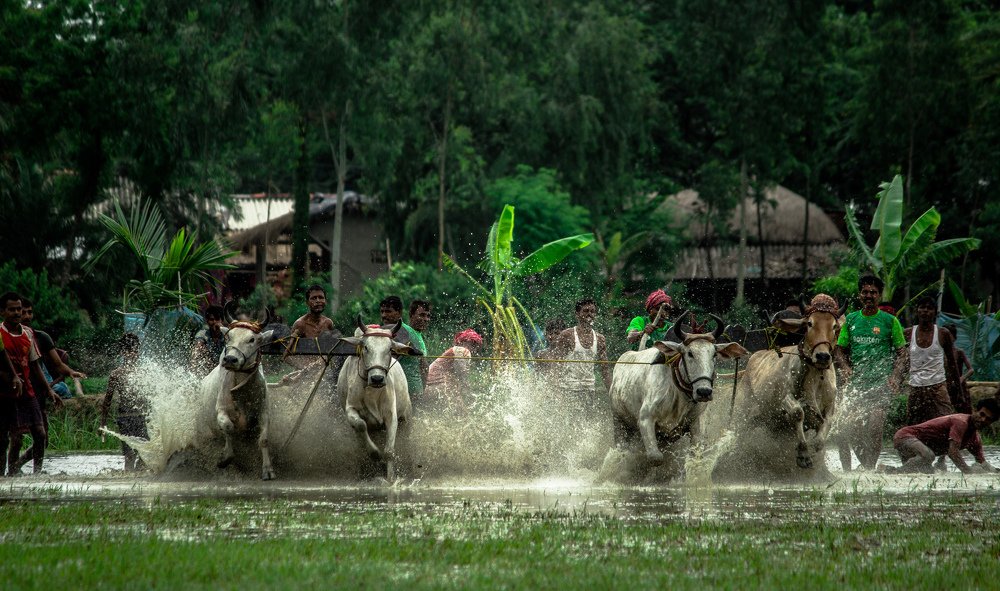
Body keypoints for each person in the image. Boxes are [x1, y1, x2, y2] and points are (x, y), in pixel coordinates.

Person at [834, 275, 906, 471]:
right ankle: (867, 466)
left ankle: (868, 468)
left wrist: (895, 377)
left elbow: (902, 354)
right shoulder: (850, 320)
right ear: (859, 295)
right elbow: (839, 350)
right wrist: (846, 367)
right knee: (853, 429)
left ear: (879, 295)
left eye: (873, 292)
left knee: (875, 427)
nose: (869, 296)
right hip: (857, 385)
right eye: (865, 292)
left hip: (880, 384)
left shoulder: (890, 321)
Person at [0, 292, 62, 476]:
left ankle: (36, 474)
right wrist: (11, 377)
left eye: (19, 309)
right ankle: (3, 478)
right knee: (4, 440)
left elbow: (35, 364)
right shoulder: (0, 334)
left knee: (40, 434)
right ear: (3, 311)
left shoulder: (28, 333)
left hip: (27, 390)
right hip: (4, 393)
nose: (17, 313)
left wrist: (49, 389)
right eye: (12, 309)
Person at [888, 398, 999, 474]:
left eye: (988, 419)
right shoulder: (961, 422)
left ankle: (886, 470)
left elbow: (982, 463)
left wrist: (996, 472)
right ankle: (893, 472)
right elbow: (953, 452)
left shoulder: (975, 440)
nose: (983, 419)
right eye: (982, 414)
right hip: (905, 436)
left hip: (918, 450)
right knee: (928, 456)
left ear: (991, 423)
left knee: (929, 473)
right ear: (975, 410)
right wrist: (969, 472)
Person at [902, 297, 961, 426]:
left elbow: (952, 363)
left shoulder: (943, 333)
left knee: (945, 422)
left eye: (929, 308)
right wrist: (897, 381)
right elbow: (902, 361)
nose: (925, 311)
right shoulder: (908, 333)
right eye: (922, 307)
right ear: (917, 311)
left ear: (934, 312)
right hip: (915, 387)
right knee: (913, 426)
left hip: (937, 386)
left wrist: (958, 390)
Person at [20, 298, 87, 398]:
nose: (27, 316)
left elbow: (58, 364)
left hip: (39, 380)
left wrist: (71, 372)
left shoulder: (41, 337)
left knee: (62, 389)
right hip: (17, 379)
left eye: (30, 312)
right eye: (23, 312)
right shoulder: (5, 336)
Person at [100, 334, 148, 471]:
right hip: (125, 418)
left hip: (141, 416)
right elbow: (107, 401)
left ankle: (140, 483)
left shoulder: (144, 373)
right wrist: (102, 423)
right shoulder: (116, 374)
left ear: (138, 351)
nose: (132, 354)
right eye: (128, 350)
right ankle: (129, 481)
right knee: (129, 455)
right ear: (123, 353)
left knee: (144, 454)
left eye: (134, 350)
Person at [555, 299, 611, 411]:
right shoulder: (567, 335)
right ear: (577, 314)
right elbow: (557, 365)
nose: (589, 314)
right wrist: (557, 391)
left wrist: (612, 392)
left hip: (589, 389)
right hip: (568, 388)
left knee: (587, 423)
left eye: (592, 311)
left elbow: (605, 370)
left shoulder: (600, 339)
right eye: (585, 311)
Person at [425, 329, 483, 414]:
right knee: (462, 415)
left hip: (429, 389)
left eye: (476, 346)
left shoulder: (454, 350)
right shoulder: (462, 350)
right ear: (463, 342)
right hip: (439, 387)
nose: (474, 349)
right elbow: (462, 373)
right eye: (473, 344)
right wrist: (469, 393)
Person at [380, 296, 425, 397]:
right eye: (382, 311)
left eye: (388, 311)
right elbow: (424, 366)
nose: (384, 315)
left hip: (404, 390)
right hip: (413, 389)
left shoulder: (401, 331)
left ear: (399, 313)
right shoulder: (410, 331)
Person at [192, 305, 229, 375]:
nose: (215, 322)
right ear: (207, 321)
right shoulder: (202, 334)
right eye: (212, 320)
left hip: (224, 370)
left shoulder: (227, 334)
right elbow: (197, 349)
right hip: (208, 371)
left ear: (222, 320)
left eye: (217, 319)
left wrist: (223, 330)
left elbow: (231, 342)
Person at [945, 324, 973, 413]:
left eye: (950, 336)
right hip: (947, 387)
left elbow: (971, 370)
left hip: (960, 388)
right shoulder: (940, 354)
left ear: (954, 338)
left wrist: (961, 379)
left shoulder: (959, 352)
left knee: (964, 410)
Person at [408, 300, 432, 388]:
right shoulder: (406, 332)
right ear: (411, 315)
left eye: (428, 316)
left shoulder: (419, 336)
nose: (426, 319)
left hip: (419, 389)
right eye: (422, 315)